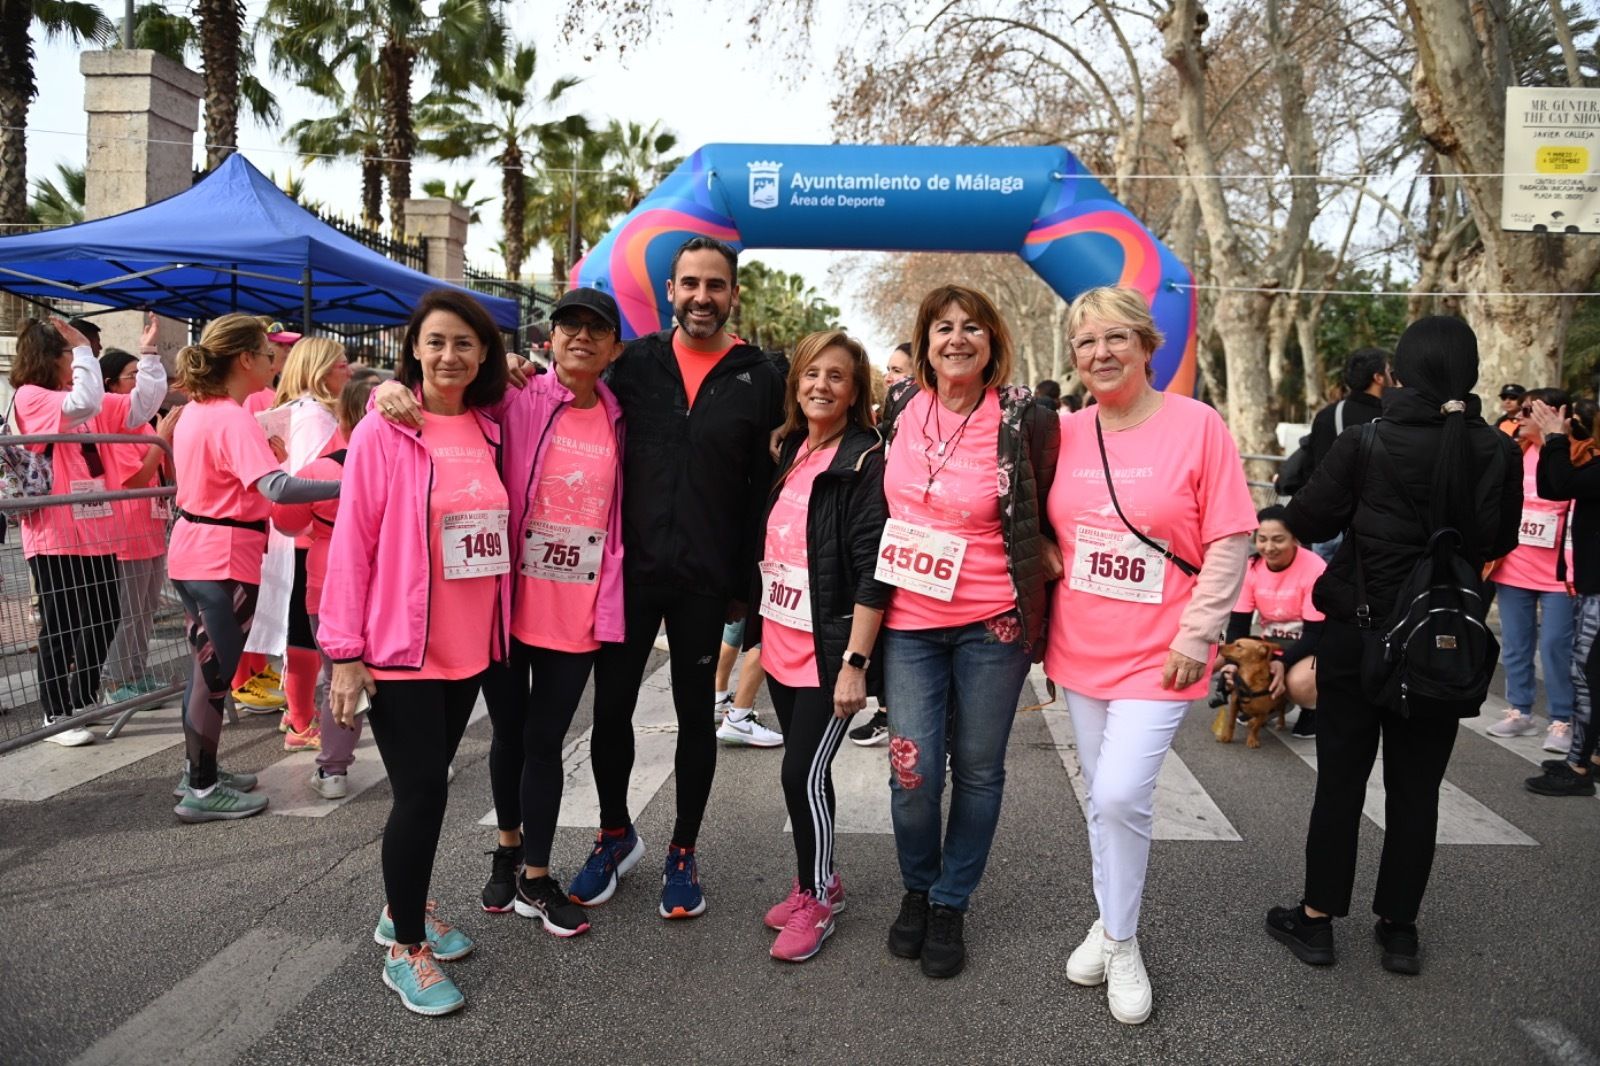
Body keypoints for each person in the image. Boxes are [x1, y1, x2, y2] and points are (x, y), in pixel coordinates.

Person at [1267, 315, 1519, 977]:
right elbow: (1500, 538)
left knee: (1342, 783)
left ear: (1400, 373)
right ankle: (1399, 929)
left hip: (1361, 634)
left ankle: (1317, 921)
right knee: (1418, 791)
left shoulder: (1368, 441)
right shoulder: (1497, 450)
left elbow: (1307, 519)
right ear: (1468, 375)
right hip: (1441, 638)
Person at [555, 237, 784, 919]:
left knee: (695, 717)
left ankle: (683, 850)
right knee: (611, 712)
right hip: (628, 572)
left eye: (716, 285)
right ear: (671, 292)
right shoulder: (636, 365)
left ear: (733, 294)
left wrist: (749, 583)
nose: (702, 297)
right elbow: (559, 399)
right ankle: (614, 833)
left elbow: (764, 488)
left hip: (705, 580)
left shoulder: (758, 376)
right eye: (690, 284)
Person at [1046, 286, 1255, 1024]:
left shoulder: (1197, 426)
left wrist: (1198, 634)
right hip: (1079, 646)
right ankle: (1108, 927)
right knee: (1102, 799)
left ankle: (1123, 941)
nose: (1100, 353)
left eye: (1115, 338)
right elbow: (1039, 531)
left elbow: (1232, 535)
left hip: (1162, 653)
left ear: (1145, 344)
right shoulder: (1064, 433)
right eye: (1085, 342)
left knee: (1119, 795)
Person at [323, 290, 511, 1016]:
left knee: (431, 782)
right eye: (435, 342)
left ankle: (405, 906)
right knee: (422, 794)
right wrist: (344, 652)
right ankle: (404, 947)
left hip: (468, 645)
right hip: (402, 646)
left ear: (484, 353)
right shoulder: (384, 431)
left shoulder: (491, 428)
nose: (449, 356)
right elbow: (353, 543)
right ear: (413, 350)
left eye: (464, 343)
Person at [877, 284, 1060, 979]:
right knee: (912, 771)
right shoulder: (898, 406)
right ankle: (917, 887)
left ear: (993, 343)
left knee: (979, 770)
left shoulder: (1023, 417)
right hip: (908, 625)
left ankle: (950, 901)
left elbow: (1059, 491)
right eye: (943, 327)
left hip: (994, 624)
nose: (958, 339)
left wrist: (1049, 543)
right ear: (924, 342)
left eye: (973, 328)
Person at [469, 287, 625, 936]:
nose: (581, 337)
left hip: (577, 607)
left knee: (544, 740)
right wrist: (390, 398)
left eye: (596, 329)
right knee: (509, 736)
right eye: (570, 326)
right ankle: (510, 853)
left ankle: (535, 873)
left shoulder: (622, 416)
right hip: (507, 602)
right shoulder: (513, 399)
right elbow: (439, 404)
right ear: (550, 339)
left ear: (614, 348)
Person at [744, 329, 888, 963]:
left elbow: (871, 569)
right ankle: (821, 878)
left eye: (835, 376)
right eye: (810, 374)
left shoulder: (864, 459)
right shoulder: (794, 449)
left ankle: (817, 898)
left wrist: (856, 664)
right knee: (810, 776)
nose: (820, 386)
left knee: (799, 771)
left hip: (831, 655)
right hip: (781, 639)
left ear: (855, 390)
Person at [167, 314, 341, 820]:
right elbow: (279, 489)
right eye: (269, 355)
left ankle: (200, 770)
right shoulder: (229, 414)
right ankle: (200, 789)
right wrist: (348, 483)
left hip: (200, 548)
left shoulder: (206, 410)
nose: (275, 363)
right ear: (245, 359)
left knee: (207, 670)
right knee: (213, 673)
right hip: (221, 556)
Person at [9, 316, 166, 746]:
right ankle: (55, 714)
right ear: (50, 358)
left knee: (104, 614)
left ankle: (81, 700)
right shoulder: (33, 396)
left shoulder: (83, 399)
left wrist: (149, 355)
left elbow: (140, 406)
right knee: (60, 625)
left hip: (96, 529)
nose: (81, 362)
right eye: (71, 355)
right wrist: (83, 349)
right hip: (54, 533)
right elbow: (84, 400)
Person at [271, 375, 377, 800]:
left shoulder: (321, 468)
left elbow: (286, 522)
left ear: (344, 416)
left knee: (339, 676)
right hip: (385, 581)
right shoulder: (402, 463)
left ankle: (333, 770)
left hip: (328, 580)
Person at [263, 337, 352, 752]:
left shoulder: (299, 410)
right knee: (306, 636)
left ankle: (297, 713)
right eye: (341, 365)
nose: (347, 372)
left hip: (298, 535)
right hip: (308, 537)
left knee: (301, 632)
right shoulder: (316, 416)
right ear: (319, 371)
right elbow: (312, 482)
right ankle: (301, 721)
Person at [1484, 387, 1575, 752]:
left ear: (1551, 414)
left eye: (1526, 410)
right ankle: (1520, 710)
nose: (1516, 417)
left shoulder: (1576, 454)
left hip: (1559, 573)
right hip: (1514, 568)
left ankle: (1562, 718)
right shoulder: (1516, 452)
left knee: (1555, 645)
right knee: (1517, 645)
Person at [1525, 396, 1600, 797]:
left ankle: (1577, 767)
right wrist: (1555, 439)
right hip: (1589, 586)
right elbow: (1559, 485)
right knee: (1592, 674)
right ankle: (1592, 755)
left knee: (1586, 676)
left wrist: (1554, 437)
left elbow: (1562, 485)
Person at [98, 347, 182, 703]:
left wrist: (166, 441)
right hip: (126, 530)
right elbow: (134, 479)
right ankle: (117, 680)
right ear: (110, 384)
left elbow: (165, 474)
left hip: (150, 525)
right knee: (128, 610)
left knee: (147, 608)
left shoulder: (144, 426)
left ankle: (136, 670)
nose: (139, 385)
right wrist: (161, 438)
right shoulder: (114, 428)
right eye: (133, 377)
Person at [228, 320, 302, 713]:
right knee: (247, 603)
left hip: (262, 516)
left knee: (259, 599)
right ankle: (244, 677)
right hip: (251, 517)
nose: (283, 356)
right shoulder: (255, 399)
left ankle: (254, 669)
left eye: (287, 350)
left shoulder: (268, 394)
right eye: (276, 349)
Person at [1223, 505, 1324, 736]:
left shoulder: (1315, 567)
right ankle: (1268, 704)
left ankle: (1312, 707)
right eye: (1263, 539)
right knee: (1217, 659)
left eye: (1278, 539)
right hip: (1272, 642)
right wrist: (1233, 663)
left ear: (1295, 539)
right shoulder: (1251, 567)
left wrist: (1284, 663)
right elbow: (1238, 626)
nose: (1269, 547)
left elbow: (1315, 634)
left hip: (1312, 644)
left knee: (1299, 682)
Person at [1304, 348, 1389, 563]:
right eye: (1389, 371)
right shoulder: (1390, 418)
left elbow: (1313, 469)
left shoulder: (1327, 415)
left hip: (1329, 524)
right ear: (1378, 378)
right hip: (1375, 528)